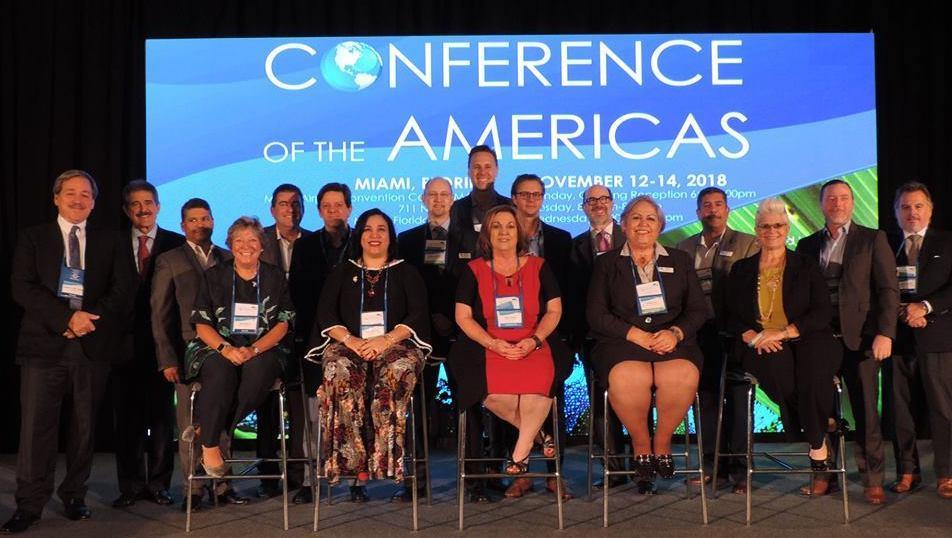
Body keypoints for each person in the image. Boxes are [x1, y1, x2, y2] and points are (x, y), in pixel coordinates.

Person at [4, 170, 134, 534]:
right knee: (35, 431)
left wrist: (88, 321)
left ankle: (75, 495)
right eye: (71, 193)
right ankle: (29, 504)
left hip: (91, 347)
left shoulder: (112, 240)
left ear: (94, 202)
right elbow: (22, 287)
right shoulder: (33, 237)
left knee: (84, 429)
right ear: (56, 198)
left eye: (86, 195)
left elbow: (123, 290)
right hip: (44, 344)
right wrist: (66, 318)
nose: (78, 200)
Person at [308, 208, 432, 503]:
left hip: (395, 345)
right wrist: (351, 341)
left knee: (396, 370)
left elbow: (417, 314)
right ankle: (354, 466)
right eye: (367, 229)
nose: (374, 235)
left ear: (390, 236)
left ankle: (386, 461)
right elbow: (325, 313)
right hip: (349, 344)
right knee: (339, 370)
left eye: (381, 229)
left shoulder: (407, 271)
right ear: (359, 235)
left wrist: (384, 340)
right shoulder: (343, 271)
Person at [447, 205, 574, 491]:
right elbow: (462, 317)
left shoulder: (539, 266)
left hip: (534, 343)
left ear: (519, 232)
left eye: (510, 226)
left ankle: (520, 455)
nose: (504, 232)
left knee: (537, 388)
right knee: (491, 392)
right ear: (487, 234)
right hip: (488, 345)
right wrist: (493, 343)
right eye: (496, 226)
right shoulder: (473, 270)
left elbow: (554, 311)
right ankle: (541, 438)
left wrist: (534, 340)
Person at [587, 195, 707, 479]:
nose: (643, 224)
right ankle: (641, 444)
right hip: (622, 342)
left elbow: (698, 310)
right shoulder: (606, 263)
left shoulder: (680, 260)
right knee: (631, 378)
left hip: (672, 342)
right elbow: (596, 314)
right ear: (625, 225)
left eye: (650, 218)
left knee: (680, 375)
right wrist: (634, 334)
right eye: (636, 218)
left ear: (660, 227)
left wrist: (676, 333)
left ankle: (662, 444)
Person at [796, 179, 899, 504]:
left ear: (852, 203)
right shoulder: (806, 244)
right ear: (822, 204)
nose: (837, 204)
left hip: (863, 339)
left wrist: (886, 332)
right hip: (819, 341)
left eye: (843, 198)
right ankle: (824, 474)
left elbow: (887, 289)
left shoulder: (872, 239)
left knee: (866, 411)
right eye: (831, 199)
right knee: (821, 410)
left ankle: (873, 478)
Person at [726, 198, 842, 475]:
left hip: (807, 336)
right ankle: (819, 429)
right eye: (765, 226)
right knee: (780, 372)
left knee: (813, 374)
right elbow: (727, 315)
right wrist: (754, 337)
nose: (772, 231)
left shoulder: (806, 265)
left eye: (778, 225)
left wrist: (785, 332)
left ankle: (814, 441)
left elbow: (822, 311)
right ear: (756, 230)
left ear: (787, 228)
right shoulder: (741, 269)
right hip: (760, 342)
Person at [152, 198, 246, 511]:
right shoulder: (170, 259)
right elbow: (159, 313)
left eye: (205, 218)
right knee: (190, 424)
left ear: (213, 221)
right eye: (193, 220)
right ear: (183, 226)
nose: (199, 224)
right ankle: (192, 490)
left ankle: (223, 486)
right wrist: (167, 358)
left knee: (220, 421)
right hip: (186, 353)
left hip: (225, 351)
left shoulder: (228, 257)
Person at [184, 216, 294, 482]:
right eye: (239, 240)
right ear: (230, 245)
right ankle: (211, 445)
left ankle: (209, 432)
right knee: (220, 372)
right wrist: (226, 349)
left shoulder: (275, 276)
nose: (246, 246)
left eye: (252, 240)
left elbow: (283, 323)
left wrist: (253, 350)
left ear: (262, 246)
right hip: (217, 348)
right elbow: (201, 323)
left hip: (264, 349)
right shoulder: (214, 276)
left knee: (259, 372)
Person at [675, 187, 759, 493]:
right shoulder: (683, 248)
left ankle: (741, 469)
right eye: (706, 206)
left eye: (718, 204)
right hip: (698, 334)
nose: (713, 210)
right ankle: (712, 466)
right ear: (698, 213)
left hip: (736, 332)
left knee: (738, 400)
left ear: (727, 209)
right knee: (706, 400)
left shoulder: (749, 244)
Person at [110, 180, 184, 508]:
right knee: (126, 420)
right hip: (121, 346)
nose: (143, 209)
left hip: (163, 346)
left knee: (162, 420)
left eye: (148, 203)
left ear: (158, 206)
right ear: (127, 210)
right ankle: (129, 486)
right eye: (135, 204)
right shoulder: (110, 243)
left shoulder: (176, 243)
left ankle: (158, 484)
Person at [446, 146, 512, 502]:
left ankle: (496, 468)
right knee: (471, 394)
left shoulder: (508, 207)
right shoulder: (456, 210)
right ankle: (471, 472)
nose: (482, 171)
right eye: (476, 166)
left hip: (506, 318)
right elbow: (451, 263)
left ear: (496, 170)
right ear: (469, 170)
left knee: (503, 391)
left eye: (488, 166)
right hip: (468, 315)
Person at [507, 173, 574, 500]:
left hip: (550, 334)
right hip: (506, 335)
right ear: (513, 198)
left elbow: (569, 293)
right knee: (510, 397)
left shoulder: (561, 240)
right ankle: (521, 473)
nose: (531, 200)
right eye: (524, 194)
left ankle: (553, 473)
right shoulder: (500, 238)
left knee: (551, 399)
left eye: (537, 195)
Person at [287, 182, 353, 503]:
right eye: (326, 206)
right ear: (319, 211)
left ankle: (358, 480)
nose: (332, 211)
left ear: (349, 209)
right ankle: (309, 480)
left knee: (355, 411)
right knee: (312, 413)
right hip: (315, 340)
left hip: (356, 341)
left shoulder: (364, 241)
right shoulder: (306, 245)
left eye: (338, 205)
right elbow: (297, 293)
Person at [395, 176, 460, 502]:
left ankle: (477, 479)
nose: (438, 200)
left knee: (471, 406)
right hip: (420, 336)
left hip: (463, 333)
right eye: (432, 195)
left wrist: (452, 317)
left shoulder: (471, 239)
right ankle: (416, 482)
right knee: (418, 409)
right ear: (423, 200)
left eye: (444, 194)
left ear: (453, 199)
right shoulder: (405, 241)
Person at [887, 181, 952, 499]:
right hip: (898, 338)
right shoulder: (886, 244)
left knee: (942, 408)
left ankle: (946, 473)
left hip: (938, 336)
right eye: (905, 207)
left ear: (930, 209)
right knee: (901, 410)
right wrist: (901, 310)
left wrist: (924, 307)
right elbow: (878, 288)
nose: (911, 212)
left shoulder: (947, 242)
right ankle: (907, 471)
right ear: (896, 213)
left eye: (918, 206)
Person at [569, 185, 632, 491]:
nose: (597, 204)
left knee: (635, 400)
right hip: (592, 338)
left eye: (603, 199)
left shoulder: (632, 238)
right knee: (600, 402)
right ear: (584, 207)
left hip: (631, 336)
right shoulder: (575, 245)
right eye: (591, 200)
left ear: (612, 204)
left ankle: (642, 465)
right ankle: (614, 469)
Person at [255, 183, 312, 499]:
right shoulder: (258, 241)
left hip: (303, 336)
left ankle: (299, 475)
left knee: (300, 409)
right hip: (265, 336)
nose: (289, 209)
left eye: (295, 203)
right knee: (266, 408)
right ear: (272, 209)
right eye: (283, 204)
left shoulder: (313, 242)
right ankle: (267, 476)